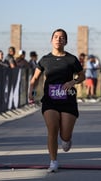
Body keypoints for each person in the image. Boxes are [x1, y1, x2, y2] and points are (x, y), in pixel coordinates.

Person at [28, 28, 85, 172]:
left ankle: (67, 140)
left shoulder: (71, 59)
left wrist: (72, 82)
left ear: (66, 41)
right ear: (51, 40)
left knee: (64, 135)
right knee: (52, 129)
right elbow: (35, 78)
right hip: (50, 100)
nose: (58, 39)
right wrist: (31, 91)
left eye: (62, 37)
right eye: (56, 37)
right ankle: (53, 161)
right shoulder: (45, 60)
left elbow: (82, 76)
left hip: (68, 99)